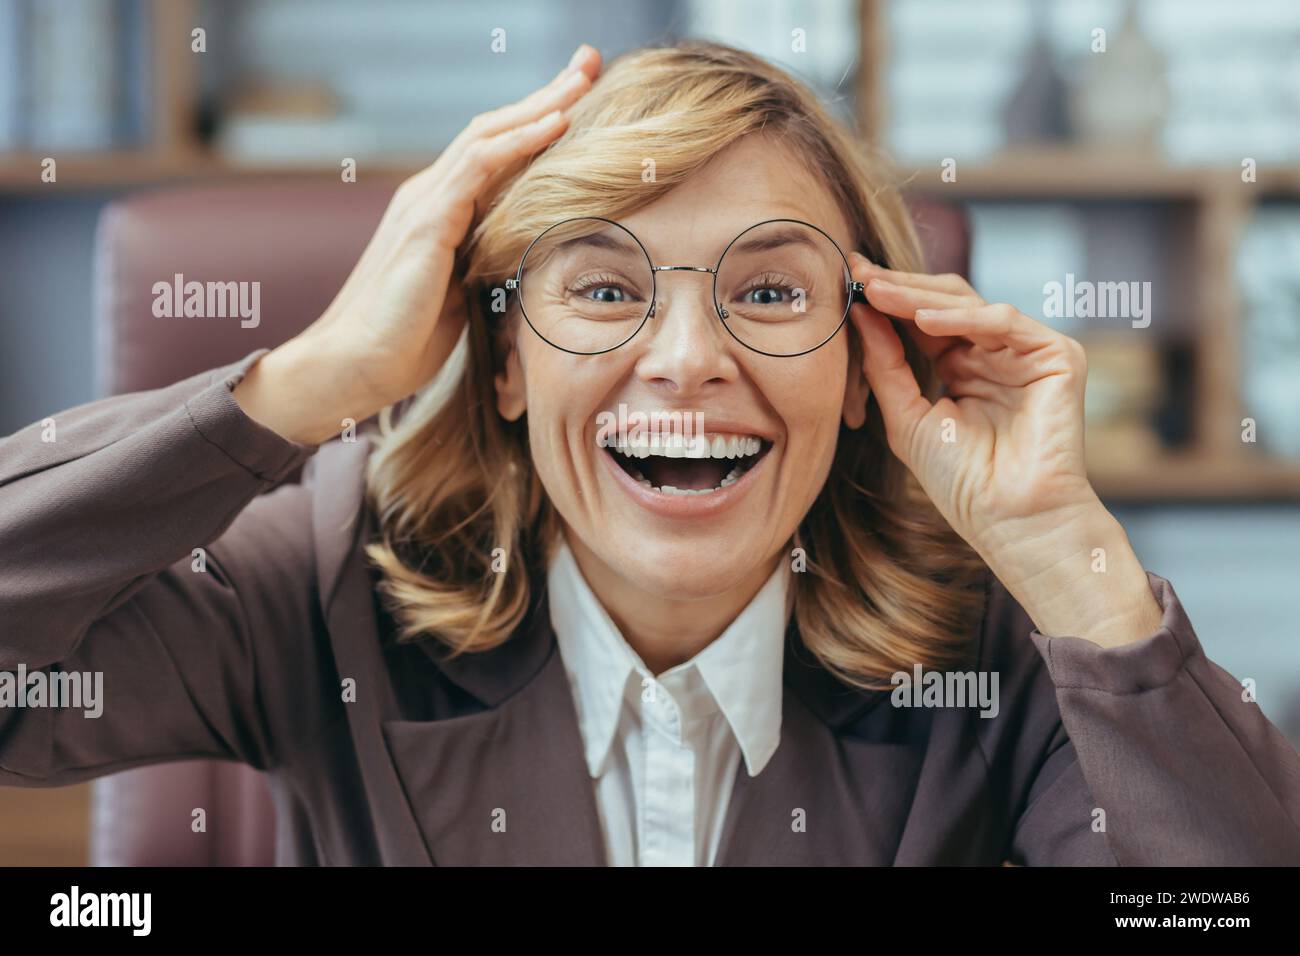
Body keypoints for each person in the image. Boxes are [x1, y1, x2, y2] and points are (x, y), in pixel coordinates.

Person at [2, 41, 1297, 866]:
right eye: (607, 292)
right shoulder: (332, 575)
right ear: (504, 362)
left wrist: (1070, 559)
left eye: (773, 295)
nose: (687, 359)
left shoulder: (996, 640)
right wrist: (307, 382)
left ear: (867, 369)